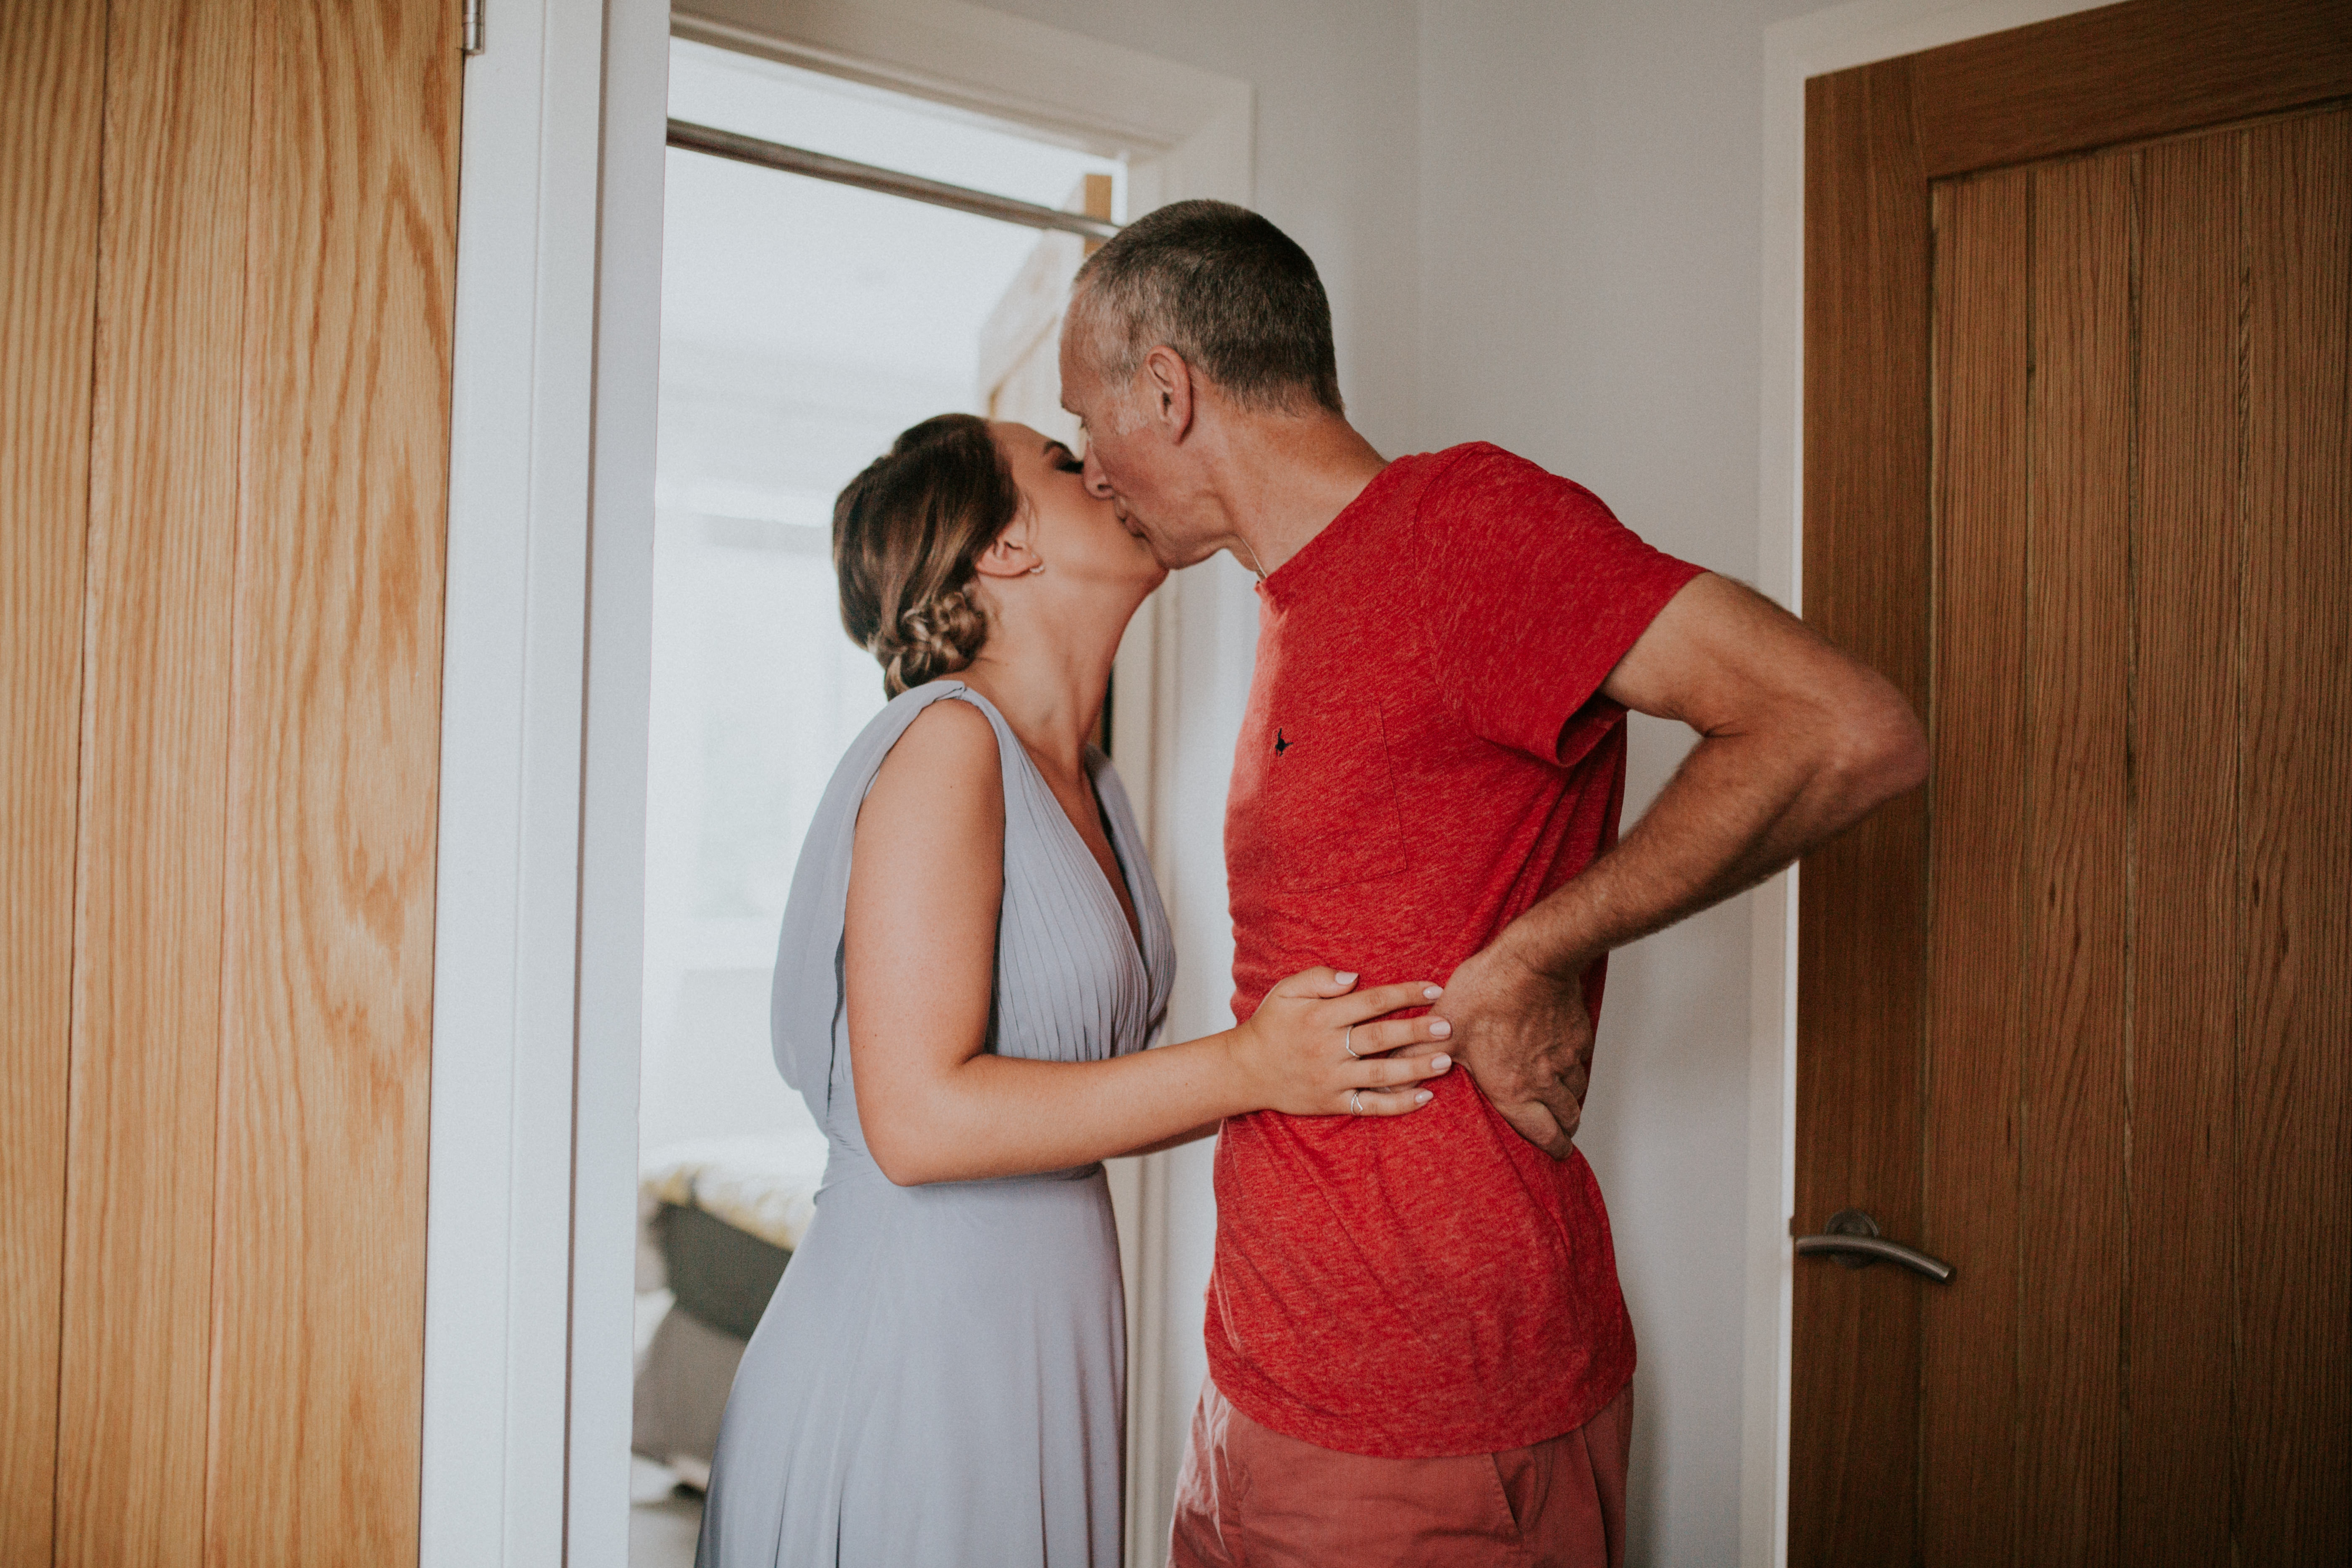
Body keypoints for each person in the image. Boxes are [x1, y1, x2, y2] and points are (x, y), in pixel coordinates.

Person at [1055, 202, 1930, 1568]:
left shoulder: (1467, 529)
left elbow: (1842, 726)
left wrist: (1536, 953)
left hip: (1433, 1428)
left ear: (1166, 391)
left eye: (1088, 421)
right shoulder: (1293, 599)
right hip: (1263, 1398)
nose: (1089, 467)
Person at [694, 412, 1458, 1568]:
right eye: (1061, 462)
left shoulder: (1093, 778)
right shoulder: (949, 744)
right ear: (1002, 549)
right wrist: (1250, 1066)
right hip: (914, 1362)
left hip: (1038, 1340)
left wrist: (1305, 1067)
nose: (1101, 467)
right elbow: (919, 1122)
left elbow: (1079, 1093)